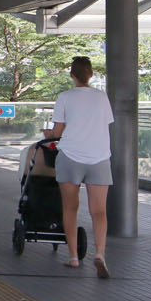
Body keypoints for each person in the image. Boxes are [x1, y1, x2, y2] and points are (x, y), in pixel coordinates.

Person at [42, 56, 112, 278]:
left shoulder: (65, 97)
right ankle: (99, 253)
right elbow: (104, 124)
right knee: (99, 211)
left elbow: (58, 132)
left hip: (71, 156)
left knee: (70, 208)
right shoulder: (102, 98)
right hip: (100, 157)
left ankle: (73, 257)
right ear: (91, 74)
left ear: (72, 74)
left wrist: (48, 134)